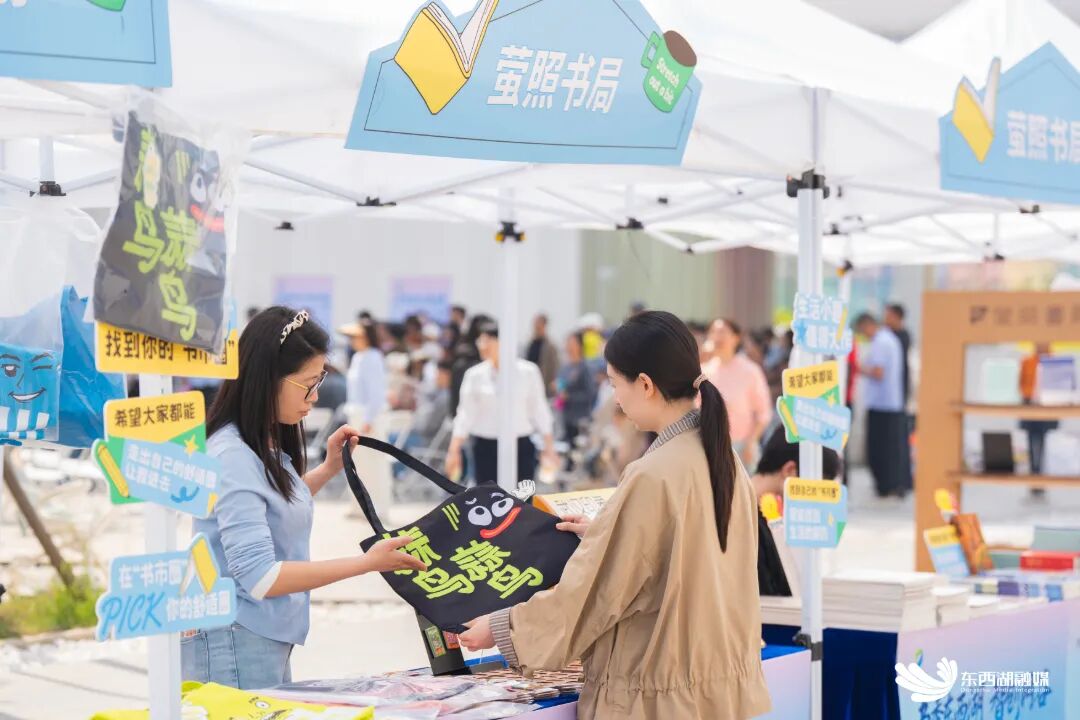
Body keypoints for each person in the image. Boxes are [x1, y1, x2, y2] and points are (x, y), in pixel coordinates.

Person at [459, 311, 771, 719]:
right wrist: (607, 531)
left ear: (645, 384)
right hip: (713, 691)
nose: (616, 399)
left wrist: (502, 629)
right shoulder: (723, 458)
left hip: (656, 697)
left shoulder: (652, 474)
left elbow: (592, 595)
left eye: (614, 384)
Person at [182, 307, 425, 690]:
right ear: (268, 379)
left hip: (254, 634)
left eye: (320, 380)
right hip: (234, 636)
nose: (315, 396)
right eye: (308, 384)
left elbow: (275, 505)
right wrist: (367, 563)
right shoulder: (233, 455)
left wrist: (328, 468)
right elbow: (261, 577)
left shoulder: (259, 441)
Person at [447, 322, 557, 485]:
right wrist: (454, 450)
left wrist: (549, 446)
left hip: (521, 445)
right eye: (480, 341)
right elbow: (465, 415)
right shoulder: (474, 375)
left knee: (522, 497)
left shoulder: (528, 372)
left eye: (487, 341)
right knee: (487, 497)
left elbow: (539, 410)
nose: (482, 346)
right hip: (485, 447)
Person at [750, 427, 841, 598]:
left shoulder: (766, 516)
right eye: (815, 489)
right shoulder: (747, 519)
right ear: (790, 471)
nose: (816, 502)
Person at [700, 318, 773, 469]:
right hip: (711, 446)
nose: (717, 336)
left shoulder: (750, 371)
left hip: (743, 447)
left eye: (722, 332)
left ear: (736, 338)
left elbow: (764, 412)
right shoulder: (704, 371)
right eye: (713, 332)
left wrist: (751, 441)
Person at [855, 312, 910, 498]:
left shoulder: (880, 342)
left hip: (881, 404)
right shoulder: (890, 339)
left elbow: (878, 372)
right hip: (891, 403)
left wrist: (859, 368)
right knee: (892, 449)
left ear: (867, 325)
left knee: (879, 449)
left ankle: (885, 486)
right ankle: (893, 484)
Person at [555, 332, 598, 463]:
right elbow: (561, 385)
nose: (569, 346)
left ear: (579, 345)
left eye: (572, 343)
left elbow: (591, 394)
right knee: (567, 453)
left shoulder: (585, 368)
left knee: (578, 456)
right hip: (566, 417)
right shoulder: (565, 367)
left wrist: (570, 397)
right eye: (568, 343)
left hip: (580, 420)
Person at [339, 320, 386, 435]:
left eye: (355, 337)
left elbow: (376, 391)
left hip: (368, 417)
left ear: (367, 337)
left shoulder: (373, 357)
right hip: (356, 414)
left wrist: (368, 419)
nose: (352, 341)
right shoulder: (357, 357)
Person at [525, 313, 560, 398]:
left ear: (544, 325)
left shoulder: (550, 346)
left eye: (538, 324)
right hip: (529, 386)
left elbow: (555, 367)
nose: (536, 326)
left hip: (544, 387)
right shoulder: (530, 343)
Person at [884, 304, 912, 404]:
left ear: (897, 317)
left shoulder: (903, 337)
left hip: (900, 382)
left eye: (889, 316)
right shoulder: (887, 334)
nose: (886, 319)